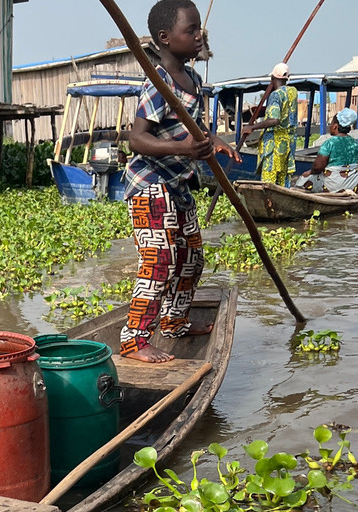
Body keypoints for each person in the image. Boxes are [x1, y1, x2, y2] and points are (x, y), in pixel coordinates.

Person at [119, 0, 239, 364]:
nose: (200, 34)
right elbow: (137, 139)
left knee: (192, 258)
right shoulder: (159, 82)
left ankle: (174, 321)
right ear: (165, 38)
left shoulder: (194, 80)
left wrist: (211, 139)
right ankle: (134, 339)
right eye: (191, 30)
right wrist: (183, 148)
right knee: (160, 258)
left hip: (178, 185)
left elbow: (194, 126)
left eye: (199, 27)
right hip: (149, 183)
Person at [242, 62, 299, 187]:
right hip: (288, 145)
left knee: (269, 181)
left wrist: (252, 127)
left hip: (275, 146)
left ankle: (269, 204)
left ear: (272, 79)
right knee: (284, 180)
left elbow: (274, 120)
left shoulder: (275, 95)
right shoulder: (293, 92)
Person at [296, 108, 358, 193]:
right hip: (353, 184)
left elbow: (317, 167)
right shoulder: (354, 142)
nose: (330, 126)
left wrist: (309, 172)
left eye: (331, 124)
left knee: (304, 179)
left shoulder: (330, 143)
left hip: (333, 186)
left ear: (335, 126)